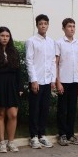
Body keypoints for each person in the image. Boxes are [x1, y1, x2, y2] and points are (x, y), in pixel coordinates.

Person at [25, 14, 56, 149]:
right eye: (40, 24)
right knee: (35, 109)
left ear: (48, 25)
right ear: (37, 25)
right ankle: (33, 136)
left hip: (47, 81)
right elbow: (29, 61)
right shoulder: (31, 41)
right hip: (36, 81)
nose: (43, 26)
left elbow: (53, 61)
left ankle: (42, 134)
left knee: (44, 109)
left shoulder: (51, 42)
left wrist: (53, 79)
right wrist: (33, 80)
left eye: (45, 23)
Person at [0, 26, 22, 153]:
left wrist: (20, 87)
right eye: (2, 36)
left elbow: (18, 71)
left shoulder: (14, 51)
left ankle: (11, 141)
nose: (5, 38)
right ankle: (2, 142)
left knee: (13, 114)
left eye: (7, 36)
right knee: (0, 113)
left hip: (12, 85)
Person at [55, 18, 78, 146]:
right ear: (63, 28)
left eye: (73, 26)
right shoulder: (59, 43)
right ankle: (62, 134)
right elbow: (56, 63)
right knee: (62, 109)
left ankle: (70, 134)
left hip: (75, 81)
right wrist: (58, 82)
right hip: (63, 81)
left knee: (72, 109)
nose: (72, 28)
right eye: (69, 26)